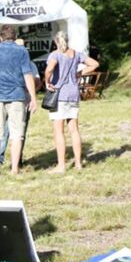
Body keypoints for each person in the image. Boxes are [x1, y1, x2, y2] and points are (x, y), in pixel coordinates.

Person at [0, 25, 39, 178]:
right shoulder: (22, 51)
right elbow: (28, 75)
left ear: (1, 37)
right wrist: (33, 98)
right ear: (14, 38)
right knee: (17, 134)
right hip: (17, 96)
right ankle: (14, 169)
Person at [44, 32, 100, 173]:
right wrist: (80, 73)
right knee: (74, 130)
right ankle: (78, 164)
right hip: (73, 94)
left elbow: (50, 69)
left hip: (60, 94)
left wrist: (47, 81)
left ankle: (61, 165)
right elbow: (95, 64)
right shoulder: (76, 54)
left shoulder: (55, 54)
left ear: (56, 42)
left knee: (58, 131)